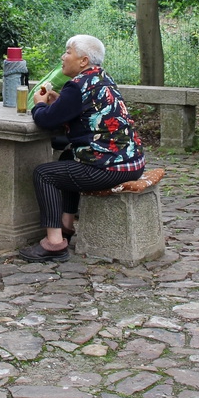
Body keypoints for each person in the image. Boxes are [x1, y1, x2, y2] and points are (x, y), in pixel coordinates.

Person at [21, 34, 145, 262]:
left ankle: (54, 243)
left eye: (68, 52)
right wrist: (60, 102)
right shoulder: (101, 78)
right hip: (132, 162)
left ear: (83, 61)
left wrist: (39, 105)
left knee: (44, 174)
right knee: (68, 157)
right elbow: (83, 110)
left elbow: (46, 120)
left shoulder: (77, 85)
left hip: (109, 168)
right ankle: (66, 225)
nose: (63, 56)